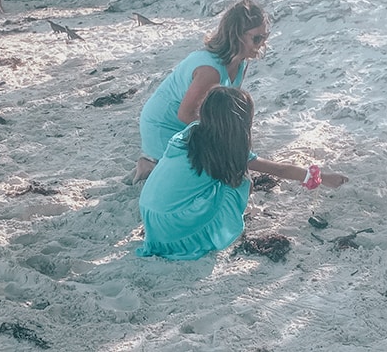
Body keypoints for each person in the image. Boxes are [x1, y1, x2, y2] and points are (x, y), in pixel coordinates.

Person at [136, 86, 348, 260]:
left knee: (216, 179)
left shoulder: (189, 133)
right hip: (173, 229)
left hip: (150, 215)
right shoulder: (226, 150)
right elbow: (279, 169)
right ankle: (231, 223)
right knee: (242, 180)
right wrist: (323, 178)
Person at [133, 0, 270, 183]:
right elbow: (185, 114)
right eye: (257, 38)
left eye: (265, 37)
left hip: (189, 122)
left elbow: (226, 105)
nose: (262, 44)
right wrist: (222, 137)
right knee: (206, 176)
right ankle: (151, 162)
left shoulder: (241, 63)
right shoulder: (210, 71)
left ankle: (156, 162)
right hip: (165, 124)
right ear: (236, 35)